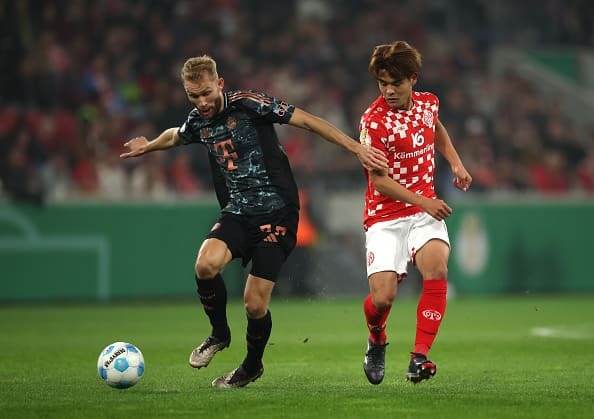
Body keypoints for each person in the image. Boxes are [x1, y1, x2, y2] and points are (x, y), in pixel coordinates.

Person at [120, 55, 387, 388]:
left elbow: (306, 121)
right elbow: (176, 135)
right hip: (238, 210)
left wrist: (356, 148)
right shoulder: (197, 121)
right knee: (205, 265)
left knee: (254, 302)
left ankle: (251, 365)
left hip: (277, 212)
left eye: (206, 93)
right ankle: (219, 335)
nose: (201, 102)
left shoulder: (248, 104)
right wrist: (148, 147)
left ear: (219, 84)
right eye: (193, 96)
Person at [358, 41, 472, 385]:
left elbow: (434, 127)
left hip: (424, 209)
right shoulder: (373, 122)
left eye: (396, 83)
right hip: (385, 214)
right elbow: (380, 182)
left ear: (413, 79)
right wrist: (425, 202)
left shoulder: (429, 103)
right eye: (383, 83)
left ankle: (419, 357)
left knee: (437, 268)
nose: (389, 91)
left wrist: (455, 161)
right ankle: (376, 338)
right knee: (383, 298)